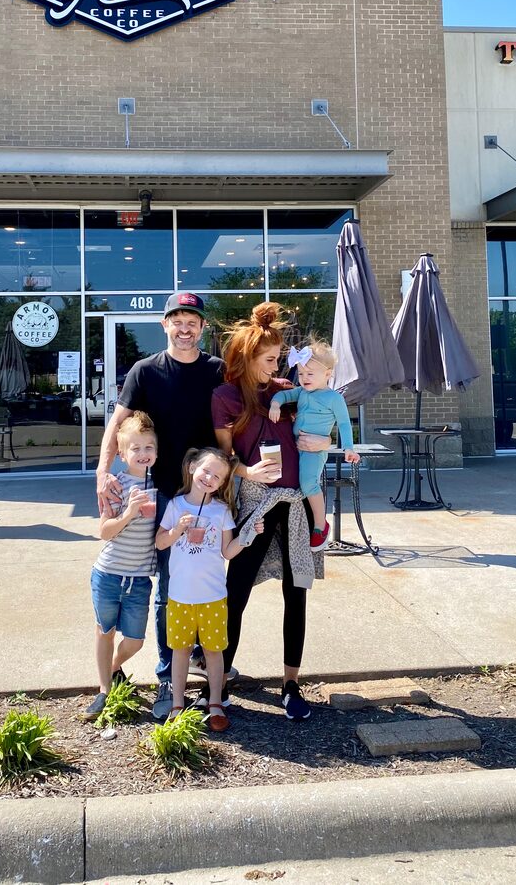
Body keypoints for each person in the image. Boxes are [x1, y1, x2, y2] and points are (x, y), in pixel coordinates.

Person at [96, 291, 224, 719]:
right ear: (165, 325)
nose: (185, 329)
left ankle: (207, 658)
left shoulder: (217, 371)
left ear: (202, 328)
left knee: (205, 578)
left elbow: (241, 414)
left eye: (193, 322)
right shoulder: (145, 371)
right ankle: (170, 676)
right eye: (177, 321)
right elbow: (117, 424)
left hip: (206, 492)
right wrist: (102, 471)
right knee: (168, 587)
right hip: (163, 492)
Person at [211, 301, 331, 722]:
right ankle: (219, 681)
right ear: (246, 358)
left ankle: (291, 684)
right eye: (268, 359)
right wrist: (248, 470)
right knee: (236, 593)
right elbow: (223, 459)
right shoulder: (225, 397)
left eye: (278, 359)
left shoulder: (288, 390)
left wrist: (328, 444)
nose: (276, 366)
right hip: (256, 504)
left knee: (295, 594)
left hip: (296, 504)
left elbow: (326, 418)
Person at [155, 447, 262, 732]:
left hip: (213, 597)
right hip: (179, 597)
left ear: (222, 483)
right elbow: (161, 542)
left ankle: (216, 702)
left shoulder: (222, 510)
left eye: (217, 477)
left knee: (214, 653)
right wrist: (177, 529)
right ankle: (178, 703)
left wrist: (248, 536)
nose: (210, 478)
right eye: (206, 471)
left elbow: (227, 552)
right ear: (191, 467)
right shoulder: (176, 506)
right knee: (180, 651)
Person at [85, 412, 159, 720]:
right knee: (105, 631)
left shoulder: (161, 484)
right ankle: (104, 690)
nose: (142, 454)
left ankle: (115, 668)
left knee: (135, 641)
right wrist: (128, 513)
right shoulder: (115, 485)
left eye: (148, 447)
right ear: (122, 451)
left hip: (140, 577)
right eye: (135, 448)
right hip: (109, 573)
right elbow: (104, 532)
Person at [269, 340, 360, 552]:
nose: (304, 378)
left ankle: (321, 524)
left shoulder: (333, 398)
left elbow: (344, 423)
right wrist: (275, 403)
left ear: (327, 374)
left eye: (310, 374)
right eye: (301, 374)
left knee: (309, 483)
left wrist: (348, 448)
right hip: (295, 447)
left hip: (314, 451)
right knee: (296, 483)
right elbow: (284, 394)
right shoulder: (301, 392)